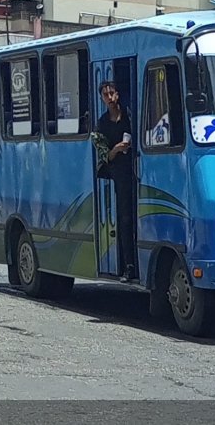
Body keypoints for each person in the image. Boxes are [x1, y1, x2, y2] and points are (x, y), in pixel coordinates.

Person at [95, 81, 135, 282]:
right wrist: (117, 150)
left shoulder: (130, 115)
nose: (109, 97)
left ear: (118, 95)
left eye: (112, 93)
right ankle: (128, 266)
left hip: (137, 170)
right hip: (119, 175)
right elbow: (104, 156)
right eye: (105, 95)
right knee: (124, 219)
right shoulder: (102, 124)